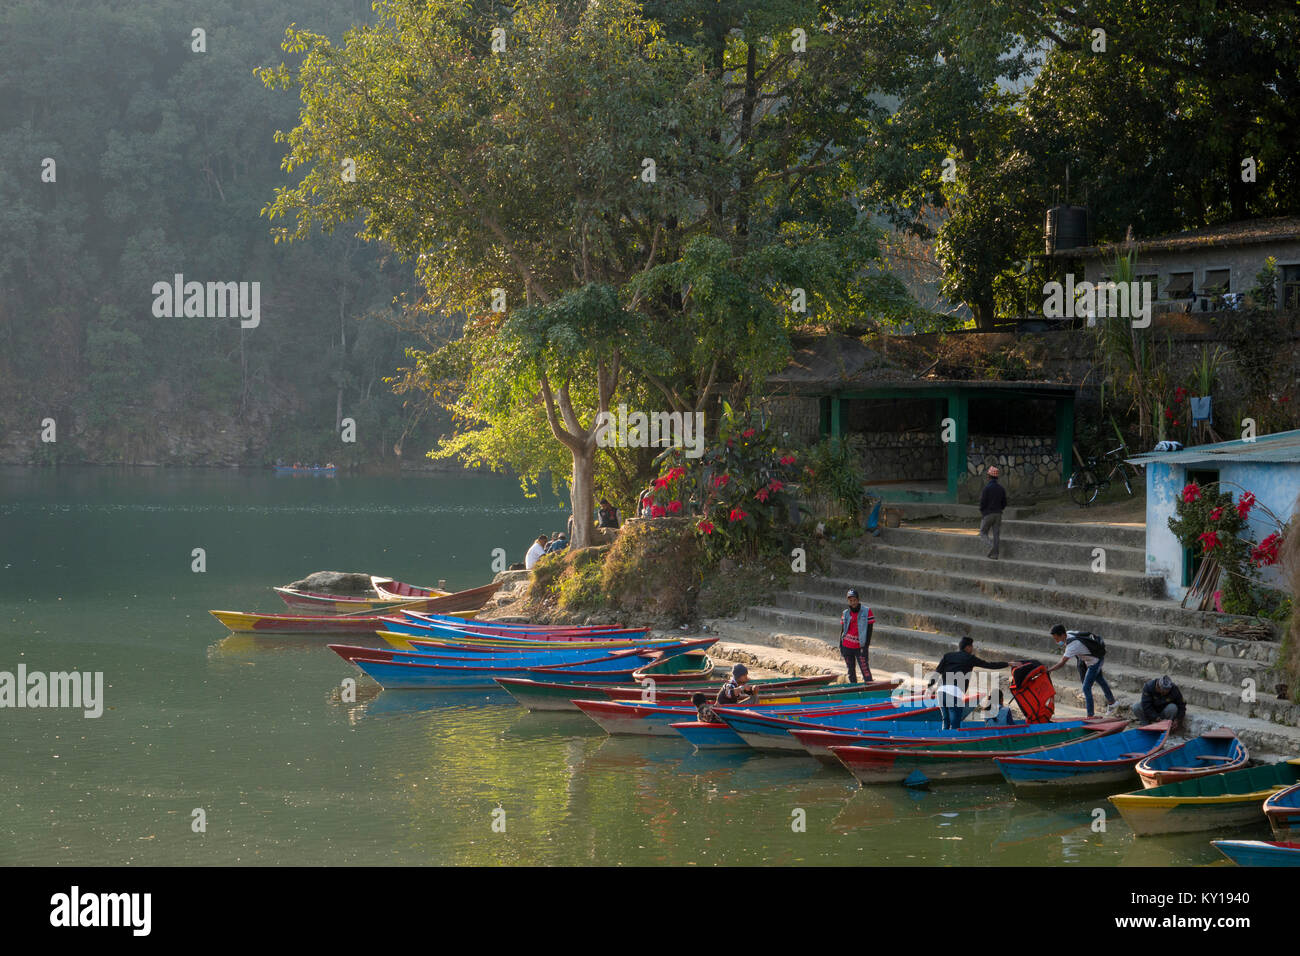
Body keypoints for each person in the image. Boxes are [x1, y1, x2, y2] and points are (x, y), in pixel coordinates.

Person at [931, 636, 1019, 730]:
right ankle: (953, 742)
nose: (972, 649)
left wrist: (929, 686)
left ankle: (943, 741)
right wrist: (1007, 664)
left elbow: (936, 673)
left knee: (946, 721)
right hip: (954, 693)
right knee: (955, 724)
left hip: (941, 692)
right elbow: (989, 665)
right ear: (968, 647)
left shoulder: (947, 656)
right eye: (972, 647)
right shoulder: (969, 658)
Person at [1045, 624, 1117, 717]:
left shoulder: (1072, 645)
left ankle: (1090, 715)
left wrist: (1049, 670)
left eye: (1057, 639)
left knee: (1086, 687)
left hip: (1095, 662)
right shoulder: (1069, 633)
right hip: (1096, 658)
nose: (1056, 641)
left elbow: (1062, 663)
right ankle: (1112, 702)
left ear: (1063, 635)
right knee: (1100, 680)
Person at [839, 588, 875, 683]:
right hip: (847, 646)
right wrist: (841, 646)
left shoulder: (867, 611)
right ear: (848, 602)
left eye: (854, 600)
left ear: (858, 600)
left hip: (860, 647)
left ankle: (870, 688)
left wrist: (865, 646)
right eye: (851, 601)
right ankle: (853, 689)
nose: (853, 602)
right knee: (851, 672)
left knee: (865, 670)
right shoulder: (845, 613)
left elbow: (870, 630)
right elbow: (843, 630)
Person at [979, 465, 1007, 559]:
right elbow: (1004, 503)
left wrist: (983, 512)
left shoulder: (986, 488)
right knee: (996, 535)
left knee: (983, 533)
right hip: (998, 514)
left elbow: (982, 503)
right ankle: (995, 554)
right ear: (997, 477)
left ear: (989, 477)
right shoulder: (1001, 489)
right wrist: (999, 509)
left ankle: (991, 546)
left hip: (988, 514)